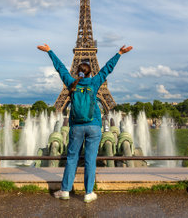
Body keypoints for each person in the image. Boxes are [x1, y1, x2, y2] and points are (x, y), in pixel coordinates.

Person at [37, 43, 133, 203]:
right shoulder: (94, 83)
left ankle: (65, 190)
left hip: (76, 127)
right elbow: (107, 69)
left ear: (77, 72)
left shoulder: (71, 83)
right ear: (90, 73)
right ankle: (88, 193)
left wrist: (50, 51)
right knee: (90, 159)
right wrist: (119, 53)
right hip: (94, 126)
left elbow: (60, 68)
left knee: (72, 158)